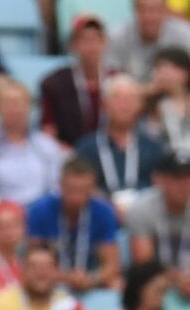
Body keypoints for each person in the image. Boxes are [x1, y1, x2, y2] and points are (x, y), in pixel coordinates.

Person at [27, 155, 120, 294]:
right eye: (71, 190)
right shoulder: (39, 211)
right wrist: (66, 278)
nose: (76, 197)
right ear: (61, 185)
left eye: (83, 191)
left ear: (93, 188)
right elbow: (30, 264)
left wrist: (91, 279)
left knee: (117, 285)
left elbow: (112, 264)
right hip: (50, 285)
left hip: (91, 285)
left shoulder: (104, 212)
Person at [75, 74, 164, 217]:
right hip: (101, 217)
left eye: (131, 99)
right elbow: (81, 186)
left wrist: (139, 209)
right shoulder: (87, 147)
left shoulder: (154, 147)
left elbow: (161, 186)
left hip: (144, 217)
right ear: (104, 104)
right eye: (117, 98)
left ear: (140, 105)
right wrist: (109, 207)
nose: (124, 104)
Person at [0, 80, 65, 206]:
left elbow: (55, 188)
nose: (13, 109)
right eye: (7, 103)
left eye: (18, 103)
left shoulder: (46, 145)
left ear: (29, 106)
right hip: (0, 215)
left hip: (40, 214)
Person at [126, 151, 190, 305]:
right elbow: (144, 262)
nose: (184, 184)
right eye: (177, 178)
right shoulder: (143, 208)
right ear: (161, 180)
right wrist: (177, 278)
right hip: (155, 287)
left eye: (188, 178)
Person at [40, 15, 108, 148]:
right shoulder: (54, 83)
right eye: (85, 41)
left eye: (95, 40)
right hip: (69, 155)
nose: (91, 47)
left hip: (111, 156)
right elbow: (48, 133)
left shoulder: (117, 80)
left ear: (104, 43)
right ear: (73, 46)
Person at [107, 0, 190, 83]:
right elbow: (110, 79)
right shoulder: (117, 37)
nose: (150, 17)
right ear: (135, 11)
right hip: (131, 94)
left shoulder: (184, 35)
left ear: (165, 11)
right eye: (144, 10)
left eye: (156, 10)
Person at [0, 241, 74, 310]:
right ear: (22, 269)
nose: (41, 273)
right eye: (34, 266)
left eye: (47, 266)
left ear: (57, 270)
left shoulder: (68, 306)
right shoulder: (3, 304)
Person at [144, 46, 190, 157]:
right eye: (159, 68)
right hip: (164, 164)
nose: (165, 73)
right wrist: (152, 90)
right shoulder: (151, 104)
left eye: (172, 68)